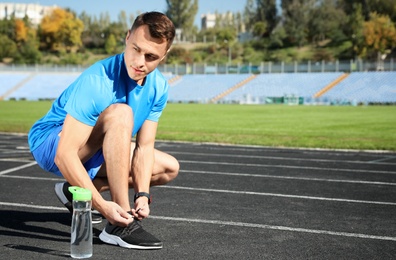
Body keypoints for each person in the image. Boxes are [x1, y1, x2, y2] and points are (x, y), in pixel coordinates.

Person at [28, 11, 179, 250]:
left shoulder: (159, 87)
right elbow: (64, 155)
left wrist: (142, 194)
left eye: (151, 56)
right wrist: (102, 206)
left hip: (94, 145)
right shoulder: (98, 80)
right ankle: (117, 224)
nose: (139, 62)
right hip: (52, 142)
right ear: (127, 38)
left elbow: (145, 146)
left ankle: (73, 191)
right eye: (136, 49)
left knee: (168, 168)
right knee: (121, 113)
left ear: (164, 55)